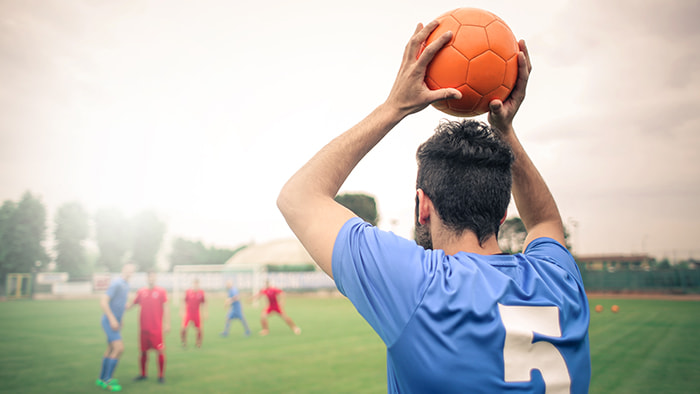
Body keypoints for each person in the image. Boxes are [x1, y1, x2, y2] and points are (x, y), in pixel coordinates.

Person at [277, 20, 591, 393]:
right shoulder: (559, 281)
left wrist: (394, 106)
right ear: (502, 212)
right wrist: (505, 131)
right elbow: (544, 221)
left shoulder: (421, 285)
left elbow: (298, 197)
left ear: (423, 205)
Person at [96, 263, 135, 392]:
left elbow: (119, 305)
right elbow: (104, 301)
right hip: (109, 321)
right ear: (123, 270)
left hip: (116, 322)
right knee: (119, 348)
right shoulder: (117, 283)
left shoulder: (126, 284)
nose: (129, 272)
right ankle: (108, 380)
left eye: (132, 271)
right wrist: (113, 319)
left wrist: (120, 319)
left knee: (111, 348)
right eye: (128, 270)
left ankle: (101, 379)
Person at [129, 271, 169, 384]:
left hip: (156, 329)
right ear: (147, 278)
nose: (151, 279)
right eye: (149, 277)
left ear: (155, 278)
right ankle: (143, 374)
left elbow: (166, 308)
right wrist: (120, 307)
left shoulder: (161, 291)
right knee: (143, 352)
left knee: (160, 351)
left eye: (153, 277)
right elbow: (132, 304)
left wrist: (167, 324)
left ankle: (161, 376)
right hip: (143, 329)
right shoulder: (141, 292)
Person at [180, 278, 207, 348]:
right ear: (193, 284)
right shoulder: (188, 292)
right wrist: (181, 311)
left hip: (196, 313)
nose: (196, 285)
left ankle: (198, 343)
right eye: (194, 284)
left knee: (199, 329)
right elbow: (183, 301)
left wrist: (205, 312)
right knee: (183, 328)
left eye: (197, 284)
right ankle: (184, 341)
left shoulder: (201, 293)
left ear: (199, 285)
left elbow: (204, 303)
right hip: (188, 313)